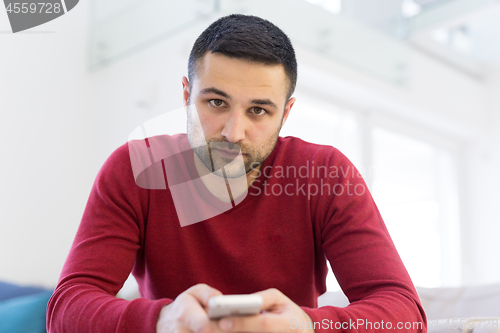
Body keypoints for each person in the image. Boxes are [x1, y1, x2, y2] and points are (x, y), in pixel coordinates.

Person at [47, 14, 427, 333]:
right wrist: (162, 319)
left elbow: (406, 315)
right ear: (185, 94)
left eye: (258, 110)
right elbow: (66, 308)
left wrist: (310, 326)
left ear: (286, 112)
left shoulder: (326, 173)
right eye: (216, 102)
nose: (233, 132)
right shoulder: (135, 167)